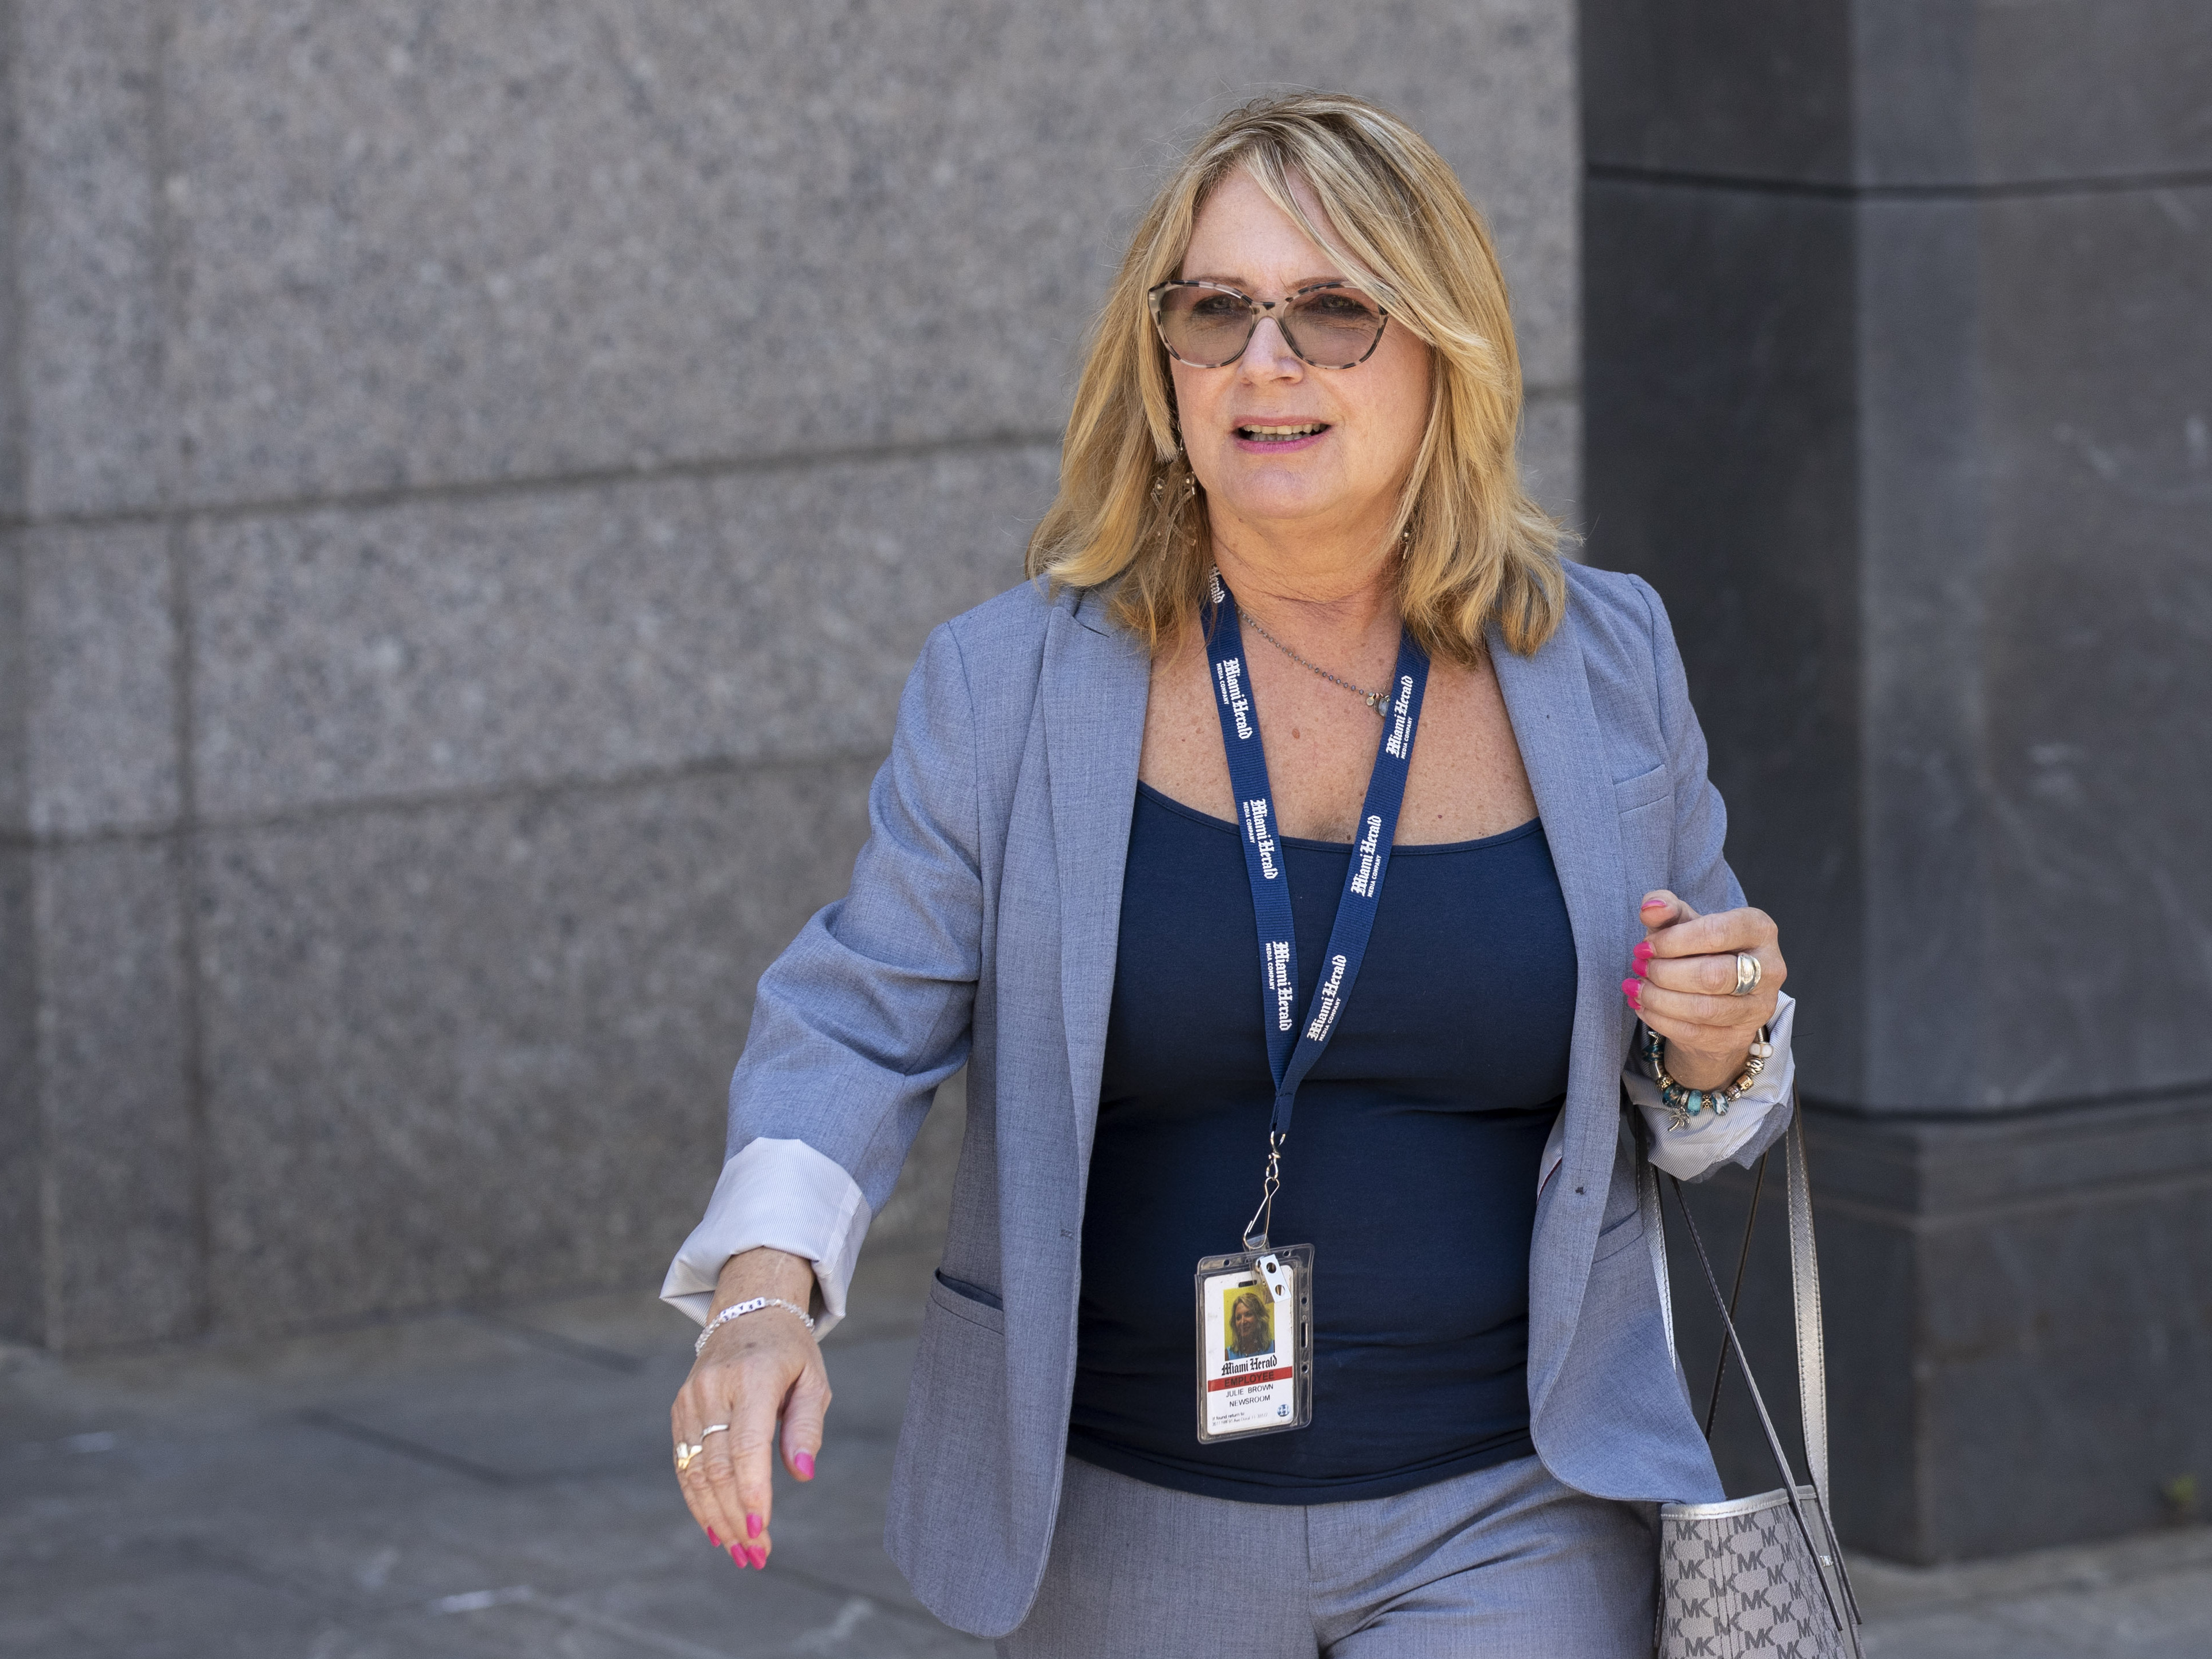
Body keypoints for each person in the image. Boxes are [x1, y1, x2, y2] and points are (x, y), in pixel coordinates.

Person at [661, 92, 1796, 1657]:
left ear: (1443, 349)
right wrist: (762, 1292)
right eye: (1218, 309)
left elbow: (1705, 1082)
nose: (1269, 361)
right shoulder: (1009, 688)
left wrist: (1720, 1036)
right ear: (1165, 360)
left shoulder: (1603, 662)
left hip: (1513, 1502)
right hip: (1121, 1514)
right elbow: (859, 1012)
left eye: (1334, 310)